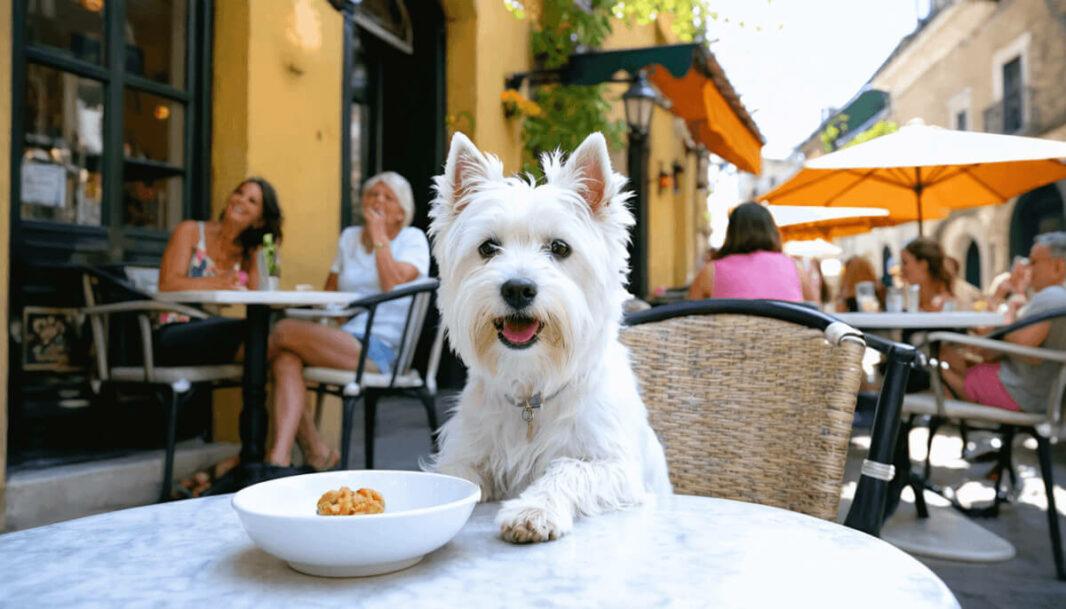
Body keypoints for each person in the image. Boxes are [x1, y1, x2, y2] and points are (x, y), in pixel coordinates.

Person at [266, 172, 430, 470]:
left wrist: (379, 235)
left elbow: (391, 283)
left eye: (387, 197)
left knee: (281, 332)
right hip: (346, 337)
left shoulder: (412, 239)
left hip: (382, 349)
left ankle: (239, 359)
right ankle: (282, 460)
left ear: (401, 212)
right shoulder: (349, 238)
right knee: (284, 360)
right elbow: (330, 294)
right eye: (372, 195)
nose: (378, 201)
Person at [157, 177, 283, 365]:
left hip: (215, 331)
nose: (241, 200)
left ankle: (255, 394)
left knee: (283, 353)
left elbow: (264, 295)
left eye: (252, 201)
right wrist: (217, 282)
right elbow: (167, 284)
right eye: (239, 193)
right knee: (272, 336)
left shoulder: (250, 252)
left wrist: (268, 246)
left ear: (260, 221)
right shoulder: (190, 231)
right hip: (175, 330)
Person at [940, 232, 1066, 412]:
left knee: (936, 361)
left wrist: (1004, 330)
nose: (1028, 268)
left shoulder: (1052, 296)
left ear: (1058, 266)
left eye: (1034, 262)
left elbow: (1024, 346)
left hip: (1023, 393)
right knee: (953, 356)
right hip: (1037, 389)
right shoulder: (1056, 296)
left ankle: (953, 415)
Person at [687, 202, 813, 302]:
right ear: (772, 231)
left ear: (731, 233)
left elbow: (689, 317)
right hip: (788, 335)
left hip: (730, 334)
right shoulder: (795, 268)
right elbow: (815, 310)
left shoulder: (711, 272)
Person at [899, 237, 956, 311]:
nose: (901, 268)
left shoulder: (947, 303)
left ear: (923, 264)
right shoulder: (909, 299)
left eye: (905, 262)